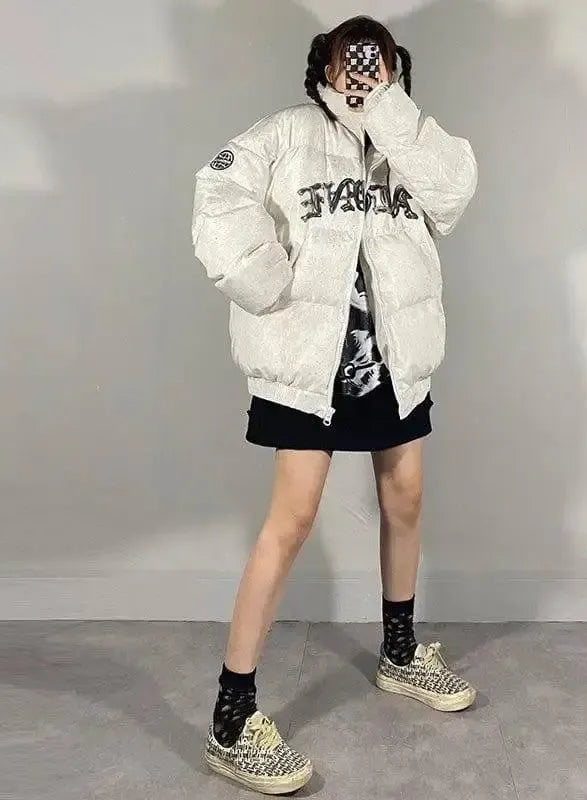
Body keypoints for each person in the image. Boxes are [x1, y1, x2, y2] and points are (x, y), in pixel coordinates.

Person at [191, 14, 478, 795]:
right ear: (322, 66)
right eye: (350, 64)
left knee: (405, 497)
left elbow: (453, 192)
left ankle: (400, 650)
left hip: (393, 360)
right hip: (307, 365)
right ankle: (231, 717)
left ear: (394, 69)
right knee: (291, 522)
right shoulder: (285, 134)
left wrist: (388, 109)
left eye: (376, 64)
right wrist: (266, 283)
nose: (361, 75)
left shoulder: (407, 140)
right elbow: (219, 190)